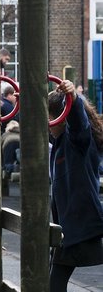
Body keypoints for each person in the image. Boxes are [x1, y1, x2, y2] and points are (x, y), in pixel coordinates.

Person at [48, 80, 103, 292]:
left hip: (81, 224)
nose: (47, 122)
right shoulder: (59, 142)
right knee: (53, 280)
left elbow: (78, 123)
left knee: (55, 282)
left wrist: (73, 100)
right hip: (69, 224)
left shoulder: (77, 142)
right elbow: (35, 126)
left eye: (50, 117)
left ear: (62, 118)